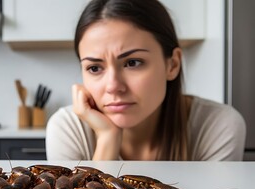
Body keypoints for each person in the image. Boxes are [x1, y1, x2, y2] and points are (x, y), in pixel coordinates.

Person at [46, 0, 246, 161]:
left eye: (133, 62)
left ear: (172, 65)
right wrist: (108, 139)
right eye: (95, 68)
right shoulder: (67, 130)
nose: (113, 86)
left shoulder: (217, 127)